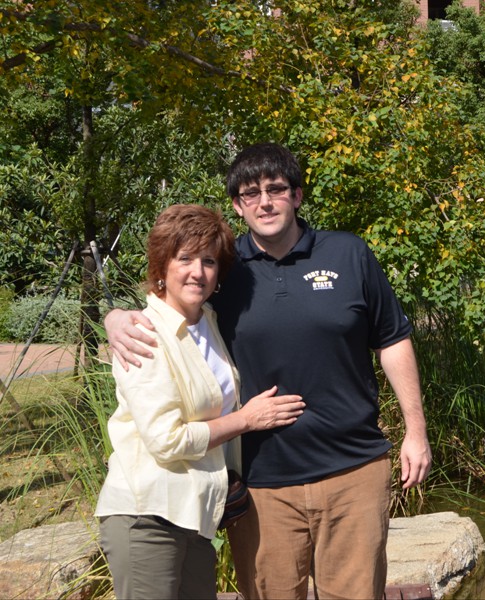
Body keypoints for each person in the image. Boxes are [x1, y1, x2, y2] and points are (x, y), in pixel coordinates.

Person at [105, 143, 432, 599]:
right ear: (238, 206)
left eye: (276, 189)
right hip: (263, 487)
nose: (265, 201)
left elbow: (393, 340)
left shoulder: (348, 254)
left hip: (354, 472)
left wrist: (415, 432)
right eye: (251, 193)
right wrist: (115, 317)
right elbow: (170, 302)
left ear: (297, 195)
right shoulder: (225, 270)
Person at [95, 204, 305, 600]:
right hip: (147, 515)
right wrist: (247, 420)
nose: (198, 271)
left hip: (197, 514)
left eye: (208, 260)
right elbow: (166, 440)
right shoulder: (144, 334)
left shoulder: (208, 321)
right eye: (185, 258)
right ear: (161, 265)